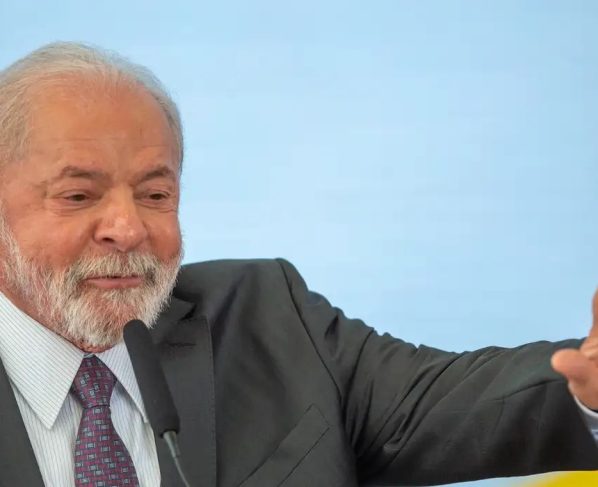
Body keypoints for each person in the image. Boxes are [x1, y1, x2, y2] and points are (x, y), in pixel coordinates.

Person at [0, 42, 596, 487]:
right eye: (78, 196)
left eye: (156, 194)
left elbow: (456, 405)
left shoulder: (266, 318)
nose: (128, 228)